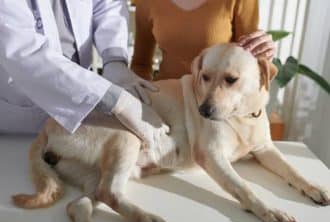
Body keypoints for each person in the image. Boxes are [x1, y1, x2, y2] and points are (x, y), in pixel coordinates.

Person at [0, 0, 168, 149]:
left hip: (82, 106)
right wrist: (115, 101)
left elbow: (107, 4)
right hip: (22, 123)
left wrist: (114, 60)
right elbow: (23, 52)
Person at [131, 0, 275, 81]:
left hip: (216, 106)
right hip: (167, 103)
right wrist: (144, 103)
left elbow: (250, 60)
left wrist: (264, 53)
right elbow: (140, 65)